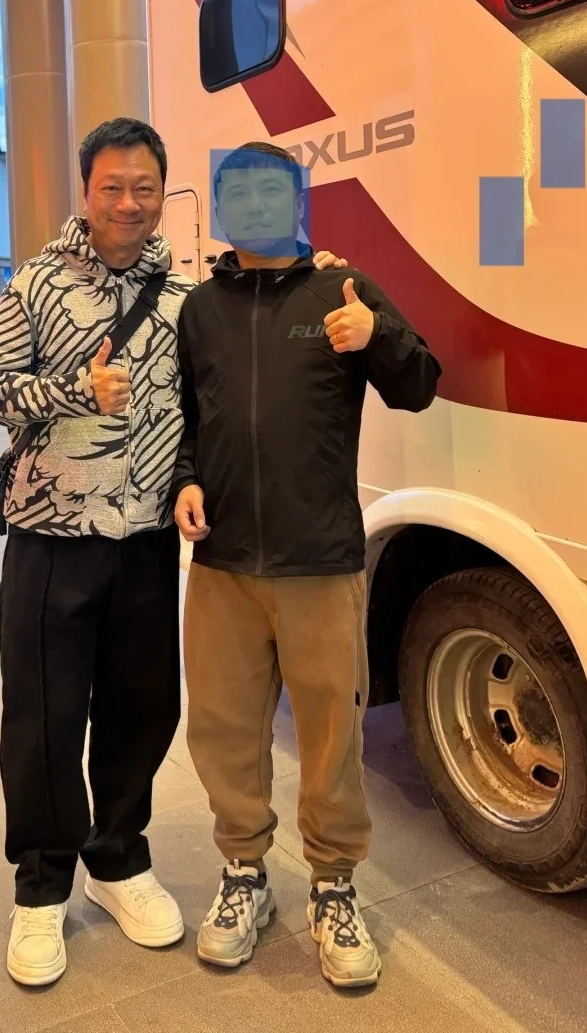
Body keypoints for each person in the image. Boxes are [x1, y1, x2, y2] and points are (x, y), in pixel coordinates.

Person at [0, 116, 352, 986]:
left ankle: (116, 860)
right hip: (51, 537)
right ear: (86, 192)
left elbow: (209, 400)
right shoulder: (35, 283)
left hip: (145, 540)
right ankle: (41, 888)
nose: (129, 202)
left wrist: (319, 274)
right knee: (43, 716)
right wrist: (77, 388)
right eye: (112, 186)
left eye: (145, 187)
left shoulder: (184, 296)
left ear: (162, 195)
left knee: (142, 708)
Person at [172, 140, 441, 989]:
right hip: (222, 563)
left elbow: (420, 385)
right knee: (222, 728)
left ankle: (333, 884)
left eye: (270, 191)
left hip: (320, 560)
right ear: (221, 209)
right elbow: (187, 417)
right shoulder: (200, 309)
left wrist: (377, 334)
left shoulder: (342, 289)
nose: (253, 205)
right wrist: (184, 479)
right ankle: (244, 874)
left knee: (331, 733)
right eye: (238, 193)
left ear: (296, 203)